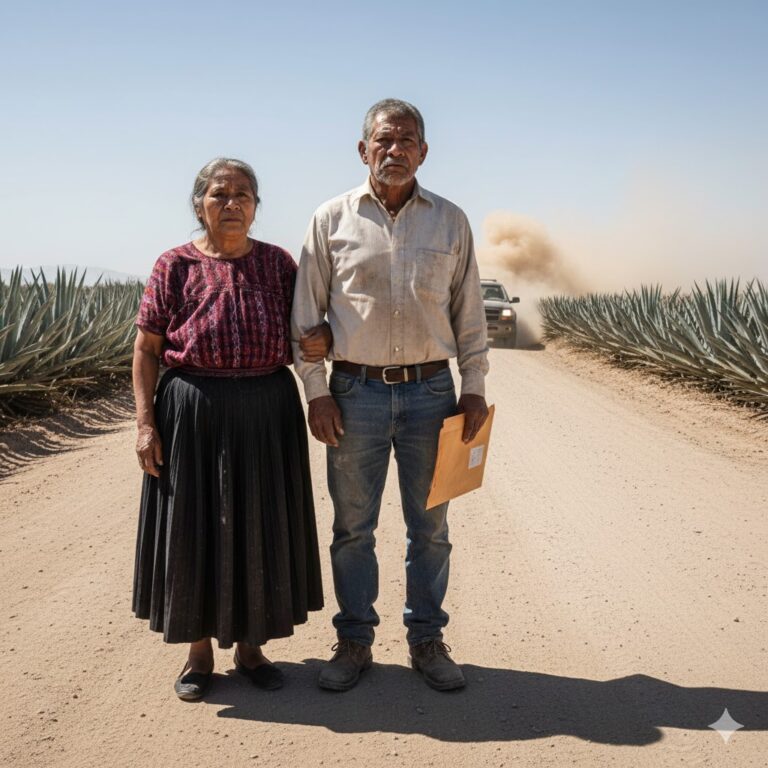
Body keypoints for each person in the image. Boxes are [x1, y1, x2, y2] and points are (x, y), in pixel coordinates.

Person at [291, 99, 489, 692]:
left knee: (431, 527)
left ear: (424, 152)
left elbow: (470, 315)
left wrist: (473, 389)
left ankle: (426, 640)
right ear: (363, 150)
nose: (395, 149)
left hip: (433, 393)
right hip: (355, 394)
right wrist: (318, 392)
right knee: (353, 526)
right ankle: (354, 641)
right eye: (384, 140)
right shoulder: (330, 219)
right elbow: (306, 317)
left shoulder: (450, 221)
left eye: (407, 140)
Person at [132, 157, 327, 701]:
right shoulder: (174, 266)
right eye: (220, 194)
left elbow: (308, 332)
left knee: (260, 522)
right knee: (193, 526)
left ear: (257, 207)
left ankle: (251, 650)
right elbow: (147, 349)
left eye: (244, 195)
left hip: (267, 408)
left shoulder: (279, 265)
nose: (232, 203)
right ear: (200, 205)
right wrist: (146, 423)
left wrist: (322, 342)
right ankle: (198, 654)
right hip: (192, 410)